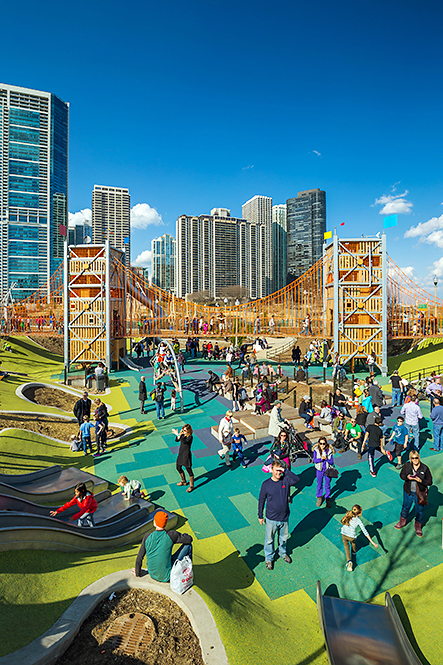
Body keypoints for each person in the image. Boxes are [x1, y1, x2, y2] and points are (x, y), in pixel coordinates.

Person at [258, 459, 299, 570]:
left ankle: (282, 552)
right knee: (269, 540)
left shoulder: (285, 480)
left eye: (280, 471)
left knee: (284, 538)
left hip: (284, 517)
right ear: (271, 470)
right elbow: (261, 500)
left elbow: (296, 479)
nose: (278, 473)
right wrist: (260, 515)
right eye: (276, 470)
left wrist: (285, 470)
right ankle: (269, 558)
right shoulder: (266, 484)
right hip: (271, 518)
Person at [133, 511, 193, 581]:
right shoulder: (172, 535)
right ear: (165, 523)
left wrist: (138, 573)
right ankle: (188, 571)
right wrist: (184, 535)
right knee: (188, 545)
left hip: (152, 574)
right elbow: (189, 539)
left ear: (154, 522)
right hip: (167, 577)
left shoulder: (147, 537)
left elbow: (139, 558)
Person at [395, 451, 433, 537]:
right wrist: (407, 477)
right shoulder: (407, 465)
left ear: (419, 458)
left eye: (416, 458)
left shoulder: (424, 468)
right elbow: (402, 475)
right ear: (410, 459)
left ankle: (418, 527)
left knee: (420, 510)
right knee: (405, 507)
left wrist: (421, 481)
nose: (415, 460)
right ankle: (402, 522)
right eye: (413, 458)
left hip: (420, 493)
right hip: (408, 491)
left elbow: (430, 482)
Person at [340, 504, 379, 572]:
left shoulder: (348, 515)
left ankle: (349, 561)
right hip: (352, 537)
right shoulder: (358, 521)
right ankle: (353, 554)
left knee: (346, 546)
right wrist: (373, 543)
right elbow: (365, 532)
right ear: (360, 512)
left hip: (344, 534)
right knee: (353, 547)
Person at [313, 437, 335, 507]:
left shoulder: (329, 451)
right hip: (319, 470)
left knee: (327, 485)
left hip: (327, 470)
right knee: (319, 484)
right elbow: (314, 460)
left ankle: (327, 498)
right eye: (321, 443)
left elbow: (331, 462)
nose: (322, 445)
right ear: (318, 444)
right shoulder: (316, 450)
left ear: (326, 444)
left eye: (323, 444)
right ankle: (319, 497)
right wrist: (321, 459)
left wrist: (326, 459)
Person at [172, 424, 194, 492]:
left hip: (186, 455)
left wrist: (179, 435)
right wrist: (178, 435)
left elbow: (184, 441)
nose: (183, 431)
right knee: (178, 467)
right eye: (182, 430)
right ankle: (183, 481)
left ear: (188, 431)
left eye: (184, 430)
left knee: (189, 470)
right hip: (181, 454)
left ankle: (191, 486)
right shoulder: (183, 435)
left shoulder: (190, 437)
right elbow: (177, 440)